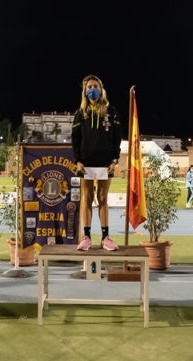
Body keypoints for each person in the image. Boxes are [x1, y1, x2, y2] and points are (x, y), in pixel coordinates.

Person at [71, 74, 122, 251]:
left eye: (96, 86)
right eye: (89, 87)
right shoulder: (80, 113)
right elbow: (75, 139)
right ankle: (86, 237)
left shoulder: (111, 111)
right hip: (85, 162)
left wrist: (115, 159)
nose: (93, 89)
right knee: (87, 198)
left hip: (105, 162)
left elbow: (117, 137)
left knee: (102, 198)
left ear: (101, 89)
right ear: (85, 91)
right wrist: (77, 160)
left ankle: (105, 238)